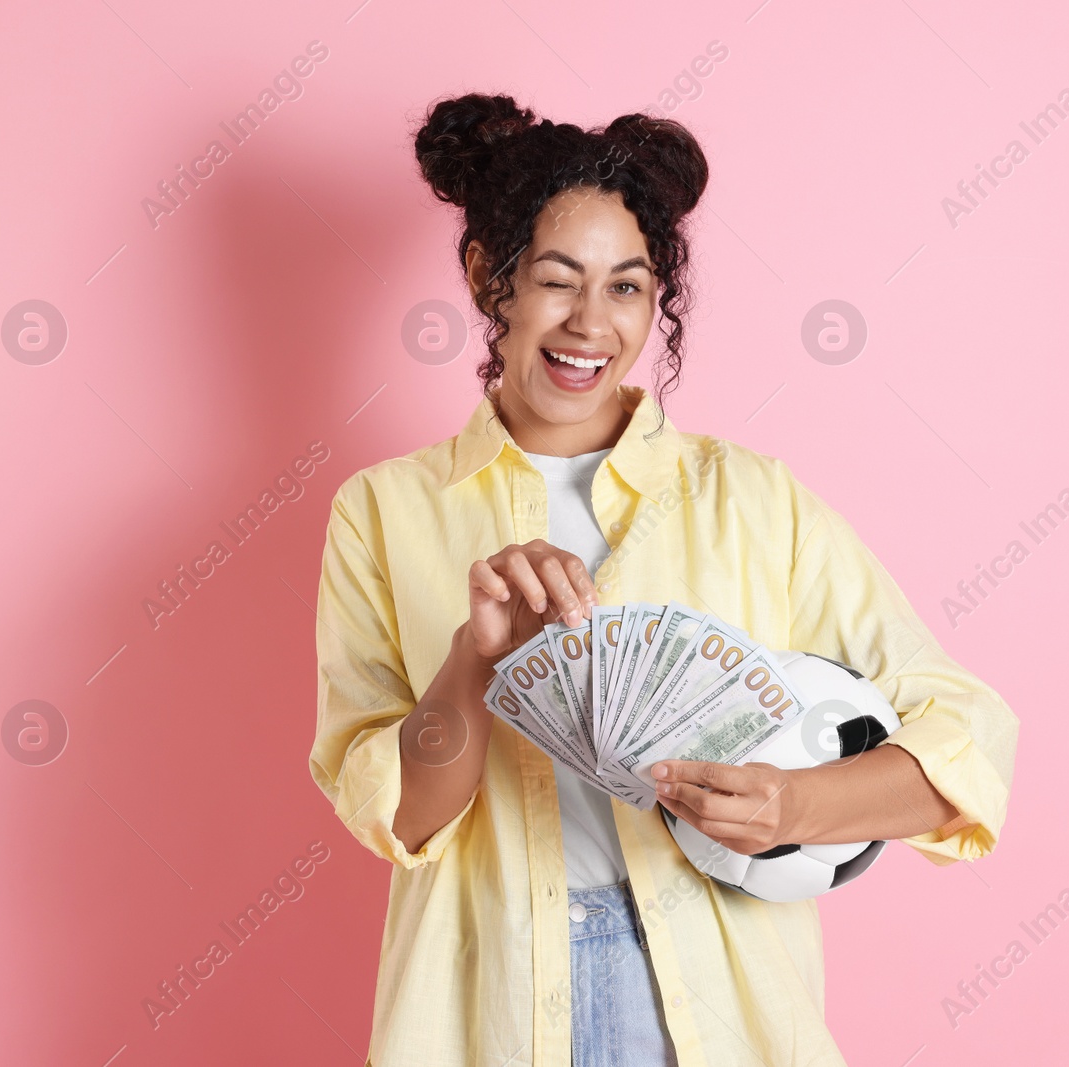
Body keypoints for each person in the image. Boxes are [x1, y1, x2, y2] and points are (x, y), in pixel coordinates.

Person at [308, 93, 1020, 1067]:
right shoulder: (384, 512)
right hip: (495, 1000)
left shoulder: (753, 501)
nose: (590, 325)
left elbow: (967, 741)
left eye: (627, 287)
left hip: (719, 995)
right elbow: (399, 814)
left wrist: (794, 807)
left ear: (657, 300)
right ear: (489, 278)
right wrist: (472, 662)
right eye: (557, 281)